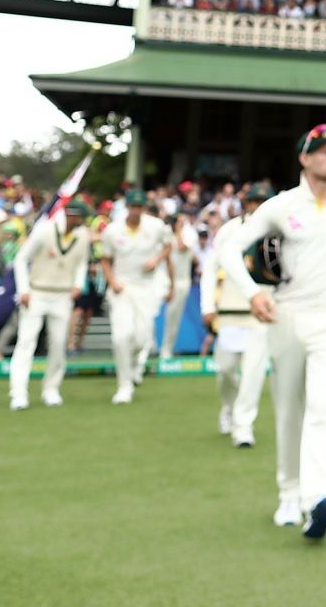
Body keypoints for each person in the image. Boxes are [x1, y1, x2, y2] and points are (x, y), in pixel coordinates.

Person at [221, 124, 326, 539]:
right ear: (305, 159)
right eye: (324, 151)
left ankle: (320, 498)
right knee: (289, 410)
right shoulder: (280, 206)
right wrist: (254, 293)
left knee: (323, 408)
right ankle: (289, 494)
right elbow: (228, 249)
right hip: (286, 316)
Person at [200, 183, 273, 447]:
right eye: (255, 203)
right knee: (225, 370)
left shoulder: (278, 233)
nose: (259, 208)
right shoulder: (229, 231)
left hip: (262, 314)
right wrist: (207, 306)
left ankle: (244, 426)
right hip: (230, 311)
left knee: (253, 372)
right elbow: (210, 269)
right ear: (247, 205)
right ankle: (229, 407)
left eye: (264, 203)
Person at [9, 199, 96, 408]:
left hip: (62, 296)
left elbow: (82, 262)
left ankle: (51, 389)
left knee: (58, 344)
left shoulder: (83, 236)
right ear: (71, 215)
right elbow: (20, 259)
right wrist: (24, 290)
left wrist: (77, 284)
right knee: (26, 343)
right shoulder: (44, 230)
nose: (82, 222)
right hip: (36, 292)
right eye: (80, 218)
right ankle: (18, 393)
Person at [97, 189, 172, 404]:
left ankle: (132, 368)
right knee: (121, 337)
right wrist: (112, 281)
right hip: (122, 287)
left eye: (140, 207)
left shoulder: (156, 226)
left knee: (141, 340)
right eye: (133, 206)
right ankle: (124, 386)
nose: (136, 210)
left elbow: (168, 246)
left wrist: (157, 260)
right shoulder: (112, 230)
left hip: (147, 289)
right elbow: (105, 259)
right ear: (127, 207)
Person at [158, 206, 201, 360]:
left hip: (182, 282)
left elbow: (182, 247)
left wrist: (178, 230)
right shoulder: (166, 233)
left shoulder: (190, 234)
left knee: (173, 317)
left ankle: (166, 350)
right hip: (163, 280)